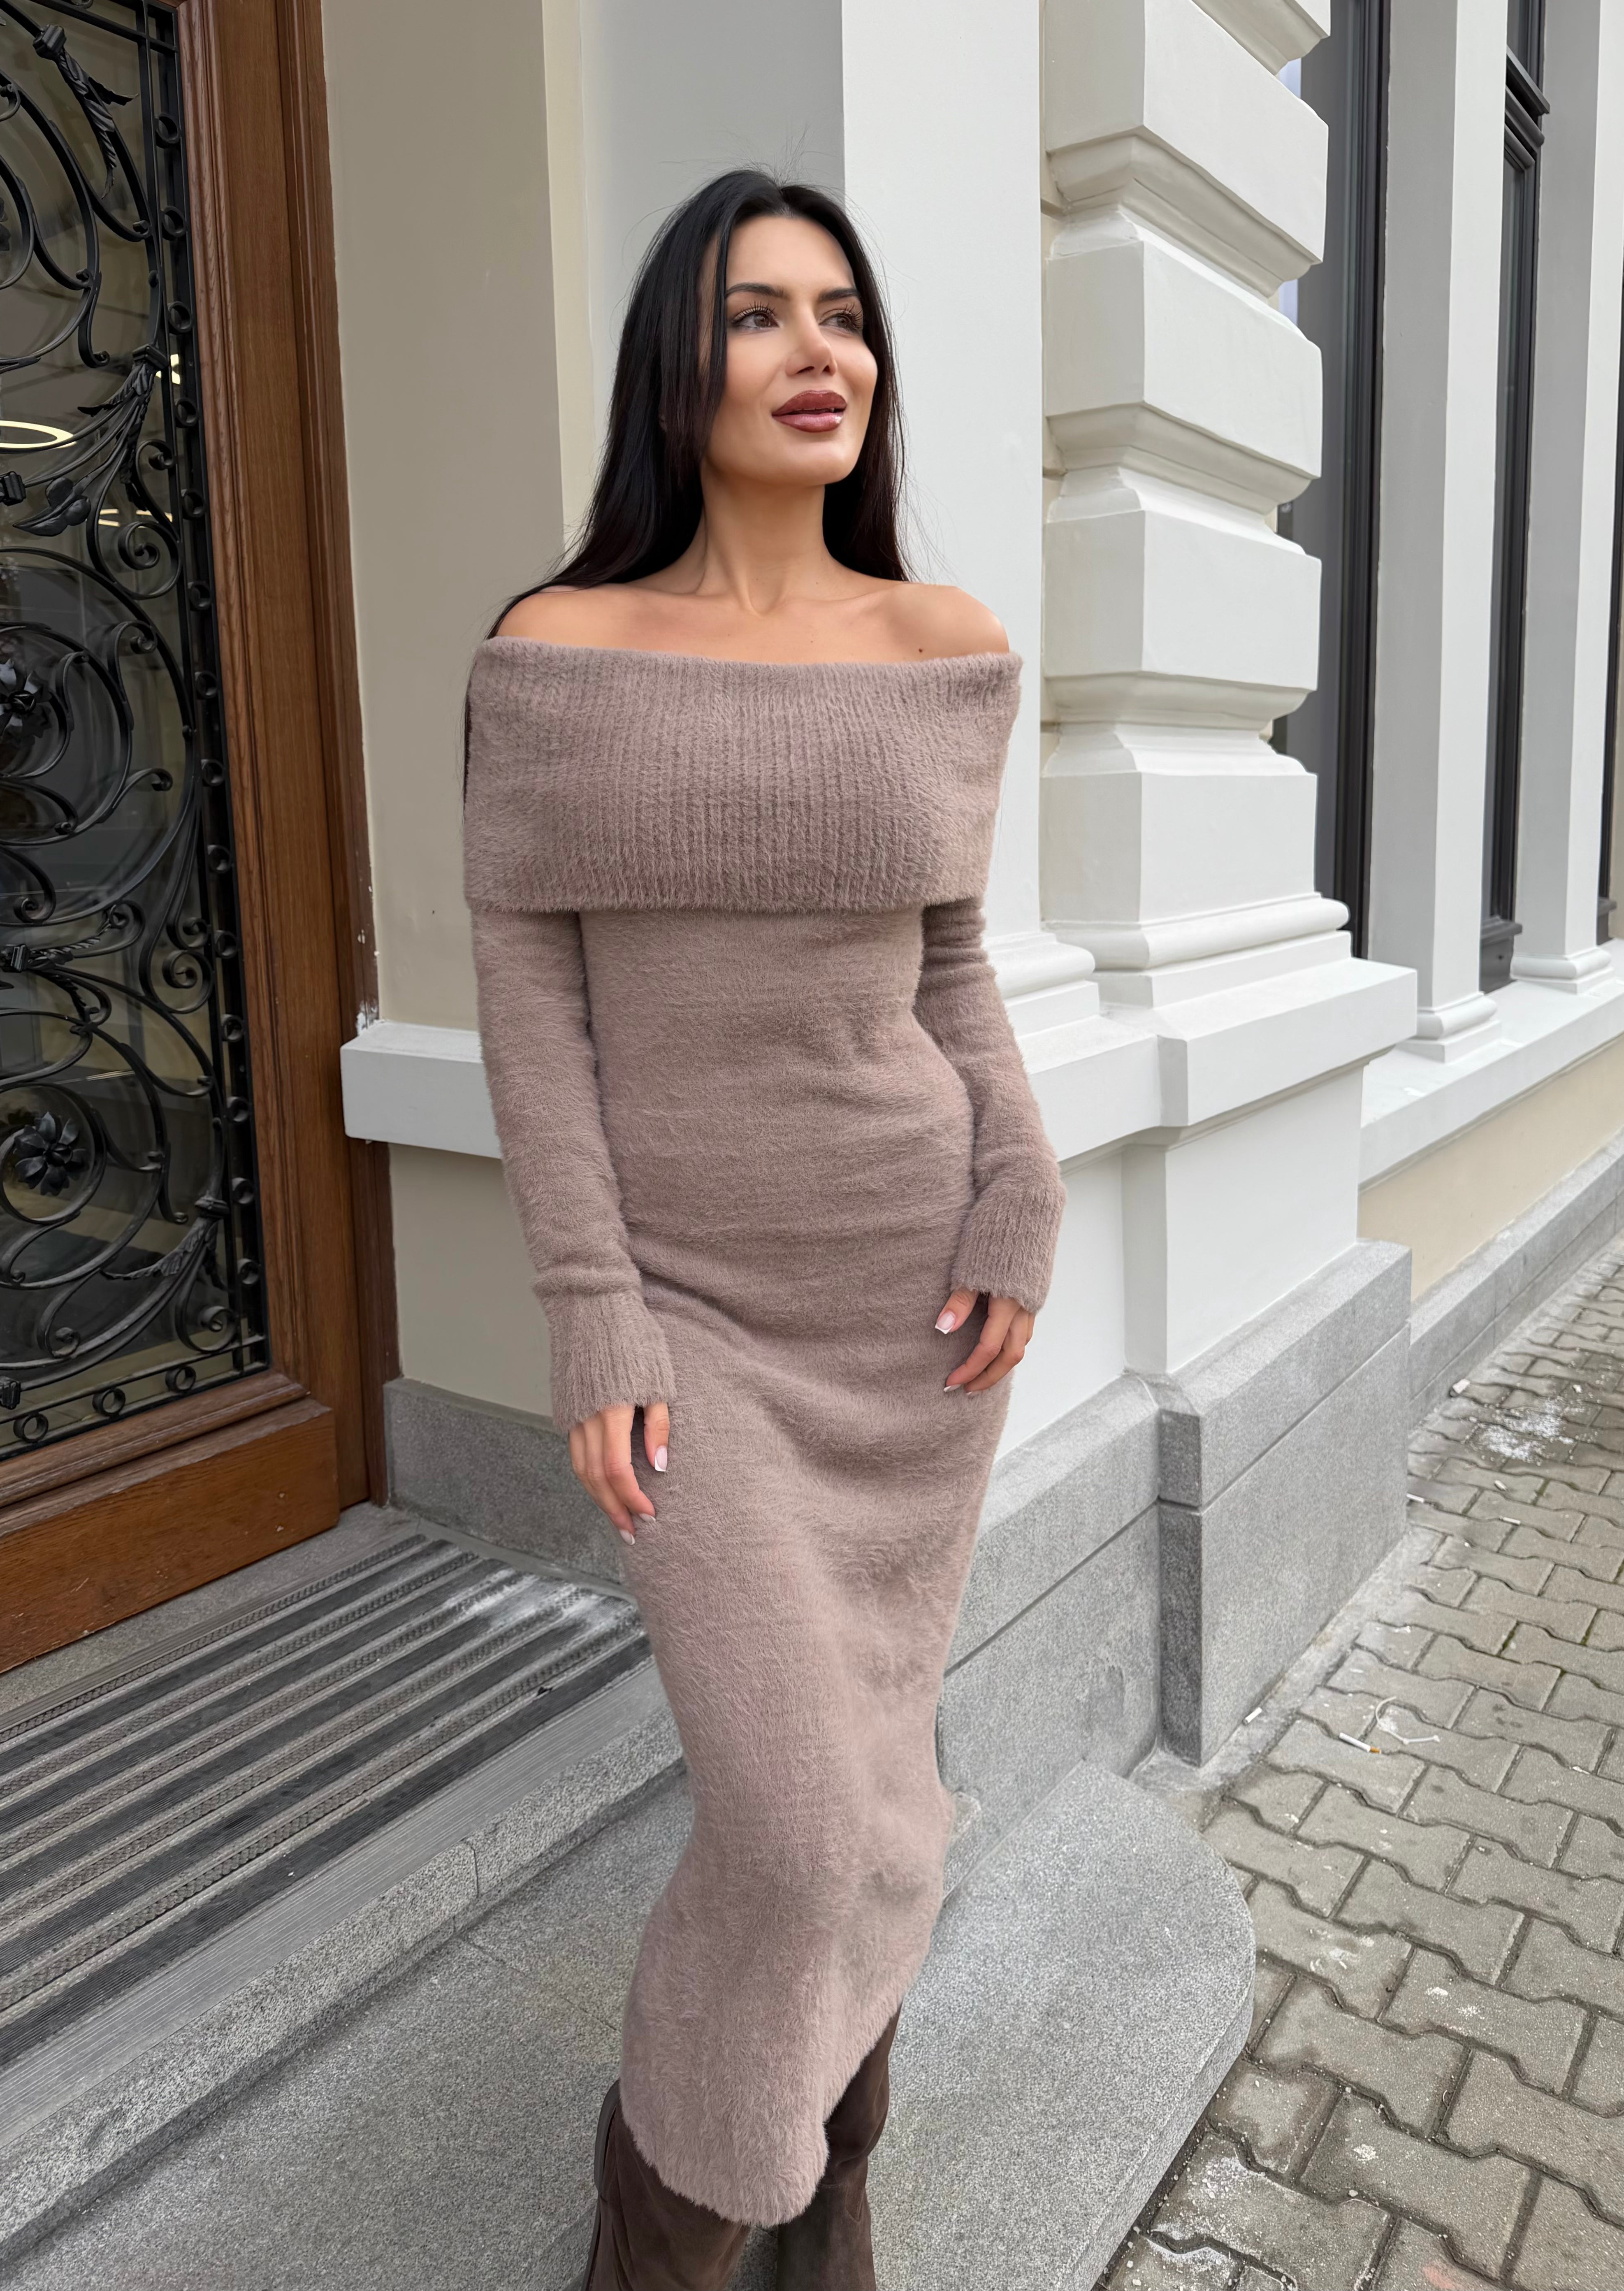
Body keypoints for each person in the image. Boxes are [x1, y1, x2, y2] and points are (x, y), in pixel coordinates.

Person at [462, 168, 1066, 2291]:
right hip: (694, 1320)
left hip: (916, 1309)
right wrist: (593, 1309)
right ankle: (663, 2238)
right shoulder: (553, 656)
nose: (820, 354)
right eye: (758, 314)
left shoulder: (945, 647)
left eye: (845, 314)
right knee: (807, 1830)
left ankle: (830, 2186)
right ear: (677, 363)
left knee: (876, 1791)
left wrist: (1023, 1179)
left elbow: (951, 965)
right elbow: (531, 1009)